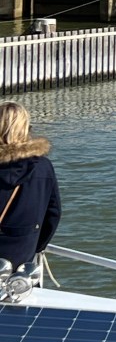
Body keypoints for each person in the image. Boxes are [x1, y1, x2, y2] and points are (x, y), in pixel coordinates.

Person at [0, 102, 61, 270]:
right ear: (25, 128)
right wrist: (36, 246)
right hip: (21, 261)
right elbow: (53, 214)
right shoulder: (43, 166)